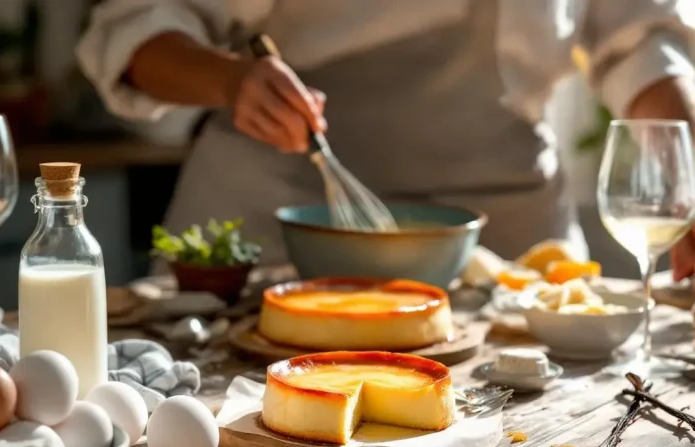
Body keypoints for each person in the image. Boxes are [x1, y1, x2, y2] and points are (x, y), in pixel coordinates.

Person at [77, 0, 695, 267]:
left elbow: (645, 42)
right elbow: (134, 32)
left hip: (511, 235)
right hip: (278, 224)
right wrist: (233, 81)